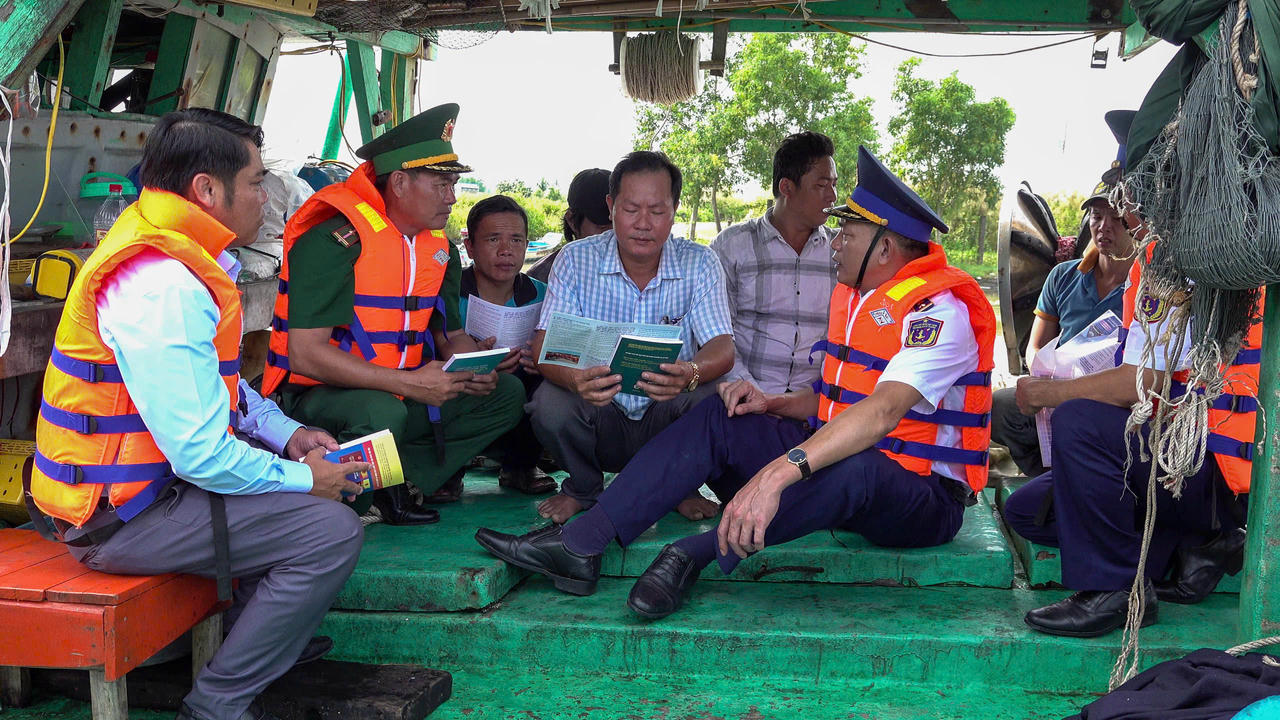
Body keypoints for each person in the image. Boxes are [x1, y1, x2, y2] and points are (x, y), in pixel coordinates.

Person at [476, 146, 997, 620]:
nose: (834, 243)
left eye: (849, 234)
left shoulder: (938, 311)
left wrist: (781, 472)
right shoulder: (864, 297)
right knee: (724, 414)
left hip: (922, 498)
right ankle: (582, 546)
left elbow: (882, 413)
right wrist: (771, 403)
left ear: (884, 249)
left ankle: (690, 554)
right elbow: (838, 399)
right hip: (846, 465)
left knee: (858, 468)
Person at [28, 108, 368, 720]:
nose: (269, 199)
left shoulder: (177, 251)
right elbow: (202, 454)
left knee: (307, 479)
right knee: (330, 530)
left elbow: (217, 389)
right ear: (206, 191)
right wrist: (306, 479)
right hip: (117, 520)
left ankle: (261, 637)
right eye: (259, 182)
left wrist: (289, 437)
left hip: (149, 490)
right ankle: (217, 705)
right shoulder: (164, 284)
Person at [260, 103, 525, 524]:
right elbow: (305, 355)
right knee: (383, 413)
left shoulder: (439, 250)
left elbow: (448, 336)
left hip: (402, 390)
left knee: (506, 394)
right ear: (399, 182)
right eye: (440, 183)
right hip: (318, 397)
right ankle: (351, 499)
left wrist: (474, 365)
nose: (452, 196)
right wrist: (412, 384)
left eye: (453, 183)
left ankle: (402, 483)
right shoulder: (333, 241)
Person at [1006, 232, 1256, 636]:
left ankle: (1116, 591)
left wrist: (1050, 393)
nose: (1120, 221)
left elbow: (1142, 383)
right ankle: (1190, 548)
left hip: (1207, 472)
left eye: (1126, 209)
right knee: (1029, 509)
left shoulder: (1177, 260)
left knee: (1078, 422)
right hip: (1175, 459)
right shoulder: (1204, 246)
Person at [525, 151, 735, 524]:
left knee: (710, 397)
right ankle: (584, 488)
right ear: (611, 207)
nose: (643, 223)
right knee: (549, 403)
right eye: (631, 209)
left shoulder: (700, 262)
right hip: (598, 412)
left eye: (657, 210)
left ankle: (678, 487)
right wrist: (576, 380)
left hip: (666, 412)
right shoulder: (575, 260)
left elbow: (722, 346)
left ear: (675, 209)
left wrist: (691, 372)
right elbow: (543, 347)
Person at [989, 110, 1138, 478]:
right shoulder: (1063, 276)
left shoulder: (1149, 286)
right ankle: (1047, 481)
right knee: (998, 407)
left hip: (1115, 400)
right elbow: (1036, 345)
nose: (1104, 227)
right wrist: (1043, 376)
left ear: (1135, 221)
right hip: (1057, 392)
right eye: (1096, 216)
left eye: (1116, 218)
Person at [710, 131, 838, 394]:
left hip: (817, 406)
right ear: (787, 187)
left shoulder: (842, 252)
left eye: (834, 184)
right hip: (742, 400)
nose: (833, 196)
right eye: (822, 185)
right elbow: (716, 335)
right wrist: (752, 393)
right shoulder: (733, 246)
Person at [457, 194, 556, 495]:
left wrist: (539, 359)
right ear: (470, 247)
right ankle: (451, 469)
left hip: (521, 382)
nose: (505, 251)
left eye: (516, 240)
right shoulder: (448, 292)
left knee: (545, 381)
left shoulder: (543, 295)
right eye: (492, 240)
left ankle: (521, 466)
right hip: (464, 389)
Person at [526, 167, 612, 283]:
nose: (611, 236)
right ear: (571, 220)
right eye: (602, 227)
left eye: (616, 226)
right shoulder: (541, 280)